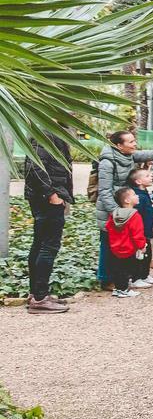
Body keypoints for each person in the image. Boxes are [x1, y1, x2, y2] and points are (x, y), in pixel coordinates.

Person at [95, 130, 153, 286]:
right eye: (131, 142)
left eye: (134, 140)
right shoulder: (107, 162)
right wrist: (117, 213)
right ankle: (106, 280)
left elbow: (151, 154)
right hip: (112, 209)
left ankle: (123, 278)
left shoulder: (129, 155)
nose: (135, 144)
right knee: (108, 244)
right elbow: (104, 191)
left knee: (123, 244)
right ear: (119, 145)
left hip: (125, 204)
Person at [23, 134, 74, 314]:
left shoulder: (49, 133)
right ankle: (40, 298)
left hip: (46, 197)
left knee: (40, 244)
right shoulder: (45, 133)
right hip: (47, 199)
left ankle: (37, 294)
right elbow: (35, 167)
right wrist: (51, 194)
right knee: (48, 246)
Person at [106, 187, 147, 298]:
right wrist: (142, 246)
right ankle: (124, 289)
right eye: (134, 194)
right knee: (127, 269)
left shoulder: (115, 214)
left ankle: (118, 288)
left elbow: (108, 227)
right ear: (127, 200)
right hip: (129, 248)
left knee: (117, 269)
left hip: (115, 247)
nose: (137, 196)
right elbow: (137, 234)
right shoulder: (134, 215)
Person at [128, 169, 153, 290]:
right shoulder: (137, 197)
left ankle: (144, 275)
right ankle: (135, 278)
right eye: (147, 176)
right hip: (140, 231)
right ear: (138, 181)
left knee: (147, 254)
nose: (151, 177)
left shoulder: (144, 193)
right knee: (139, 255)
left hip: (147, 229)